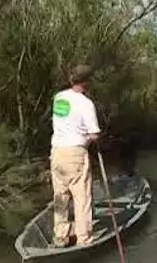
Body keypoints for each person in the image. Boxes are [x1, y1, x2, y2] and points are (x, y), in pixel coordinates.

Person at [49, 64, 101, 248]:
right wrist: (90, 139)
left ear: (72, 80)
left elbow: (65, 121)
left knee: (61, 197)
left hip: (56, 153)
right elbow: (94, 134)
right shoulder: (86, 104)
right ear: (87, 82)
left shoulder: (59, 98)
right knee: (82, 198)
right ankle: (83, 238)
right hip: (75, 154)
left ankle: (61, 237)